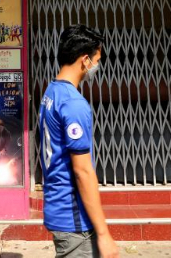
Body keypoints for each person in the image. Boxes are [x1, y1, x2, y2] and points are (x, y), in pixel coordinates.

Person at [37, 25, 119, 258]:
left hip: (58, 205)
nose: (97, 65)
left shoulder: (51, 93)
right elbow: (82, 170)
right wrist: (104, 234)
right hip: (73, 217)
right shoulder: (73, 103)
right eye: (97, 59)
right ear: (85, 60)